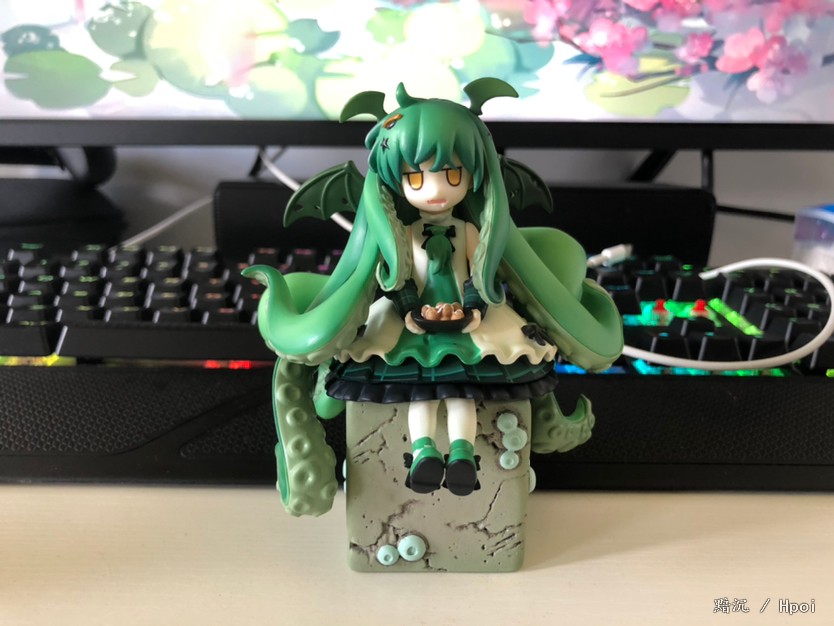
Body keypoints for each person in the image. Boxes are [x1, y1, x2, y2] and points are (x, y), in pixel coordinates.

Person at [244, 78, 623, 502]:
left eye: (452, 173)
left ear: (476, 173)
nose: (436, 189)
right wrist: (410, 309)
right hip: (412, 327)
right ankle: (424, 452)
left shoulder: (469, 232)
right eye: (415, 177)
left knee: (461, 394)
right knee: (420, 394)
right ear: (396, 181)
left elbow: (477, 274)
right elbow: (403, 281)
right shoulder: (402, 236)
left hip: (468, 325)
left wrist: (474, 307)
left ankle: (462, 455)